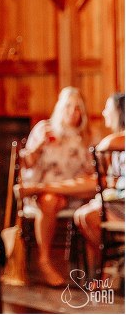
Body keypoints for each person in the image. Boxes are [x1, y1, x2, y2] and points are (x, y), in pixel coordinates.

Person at [19, 86, 93, 287]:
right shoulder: (45, 129)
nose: (72, 112)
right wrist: (39, 145)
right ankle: (44, 261)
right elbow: (27, 163)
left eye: (77, 108)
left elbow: (90, 172)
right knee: (51, 200)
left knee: (91, 187)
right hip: (47, 196)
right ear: (60, 108)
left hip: (72, 193)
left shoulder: (84, 137)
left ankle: (44, 188)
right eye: (68, 106)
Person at [73, 92, 125, 272]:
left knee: (89, 216)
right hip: (117, 200)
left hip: (123, 203)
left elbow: (108, 145)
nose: (103, 113)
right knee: (81, 215)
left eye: (107, 109)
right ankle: (103, 268)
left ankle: (108, 266)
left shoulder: (119, 140)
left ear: (119, 112)